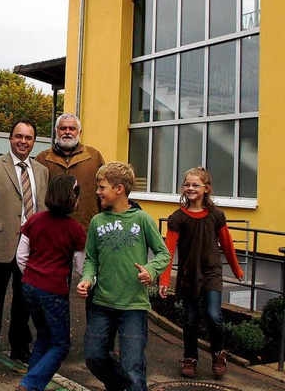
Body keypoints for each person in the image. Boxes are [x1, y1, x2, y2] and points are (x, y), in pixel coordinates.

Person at [77, 162, 170, 391]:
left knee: (133, 366)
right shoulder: (97, 222)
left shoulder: (142, 219)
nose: (98, 192)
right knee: (94, 357)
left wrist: (151, 270)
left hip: (133, 306)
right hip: (101, 304)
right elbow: (91, 259)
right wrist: (86, 278)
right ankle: (121, 386)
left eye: (102, 187)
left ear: (119, 189)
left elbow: (163, 253)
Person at [0, 119, 49, 375]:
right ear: (10, 139)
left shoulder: (41, 171)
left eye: (28, 137)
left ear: (34, 141)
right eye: (18, 136)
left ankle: (20, 347)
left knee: (24, 302)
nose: (23, 141)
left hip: (32, 249)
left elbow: (43, 210)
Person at [159, 167, 244, 380]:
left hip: (211, 273)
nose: (190, 188)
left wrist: (237, 269)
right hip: (189, 276)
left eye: (195, 185)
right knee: (189, 320)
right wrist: (163, 279)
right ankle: (190, 358)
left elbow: (227, 243)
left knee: (214, 316)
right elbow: (168, 250)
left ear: (206, 188)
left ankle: (218, 354)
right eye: (187, 184)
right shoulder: (177, 218)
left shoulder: (216, 215)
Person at [15, 175, 87, 391]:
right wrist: (87, 281)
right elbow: (80, 265)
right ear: (70, 197)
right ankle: (30, 384)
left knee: (43, 337)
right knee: (61, 344)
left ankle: (30, 383)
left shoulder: (35, 220)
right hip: (53, 291)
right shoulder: (75, 229)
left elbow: (21, 256)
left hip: (29, 286)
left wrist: (31, 275)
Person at [35, 113, 104, 231]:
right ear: (56, 131)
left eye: (72, 128)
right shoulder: (42, 159)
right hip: (51, 230)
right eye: (63, 128)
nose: (67, 132)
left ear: (79, 132)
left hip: (86, 228)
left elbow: (105, 190)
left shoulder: (94, 157)